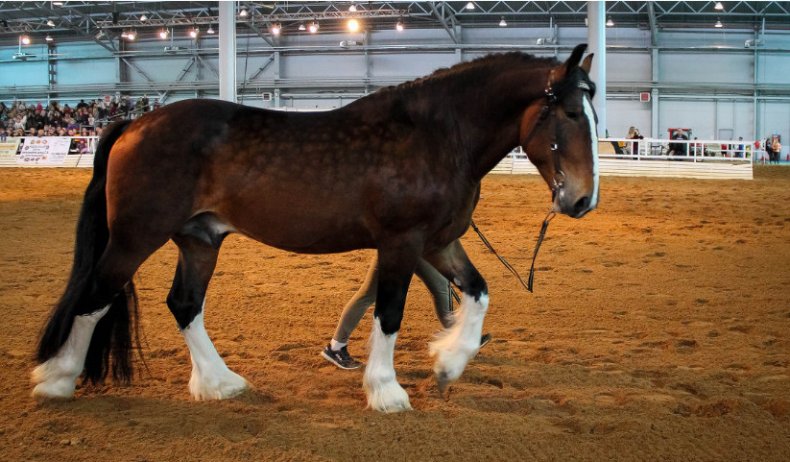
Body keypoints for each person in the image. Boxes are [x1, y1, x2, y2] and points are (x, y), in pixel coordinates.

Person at [321, 256, 492, 369]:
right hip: (399, 247)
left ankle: (460, 338)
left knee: (440, 287)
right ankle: (336, 346)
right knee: (368, 295)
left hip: (408, 245)